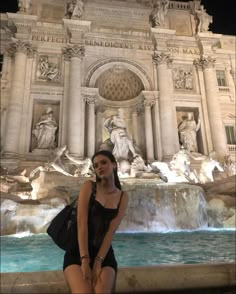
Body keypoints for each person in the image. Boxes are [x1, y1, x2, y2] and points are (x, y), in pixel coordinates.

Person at [63, 150, 128, 293]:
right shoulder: (88, 186)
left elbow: (110, 232)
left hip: (103, 254)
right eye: (96, 165)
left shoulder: (123, 196)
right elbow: (81, 223)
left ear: (114, 165)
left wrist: (98, 262)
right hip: (78, 251)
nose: (99, 167)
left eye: (104, 162)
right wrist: (85, 260)